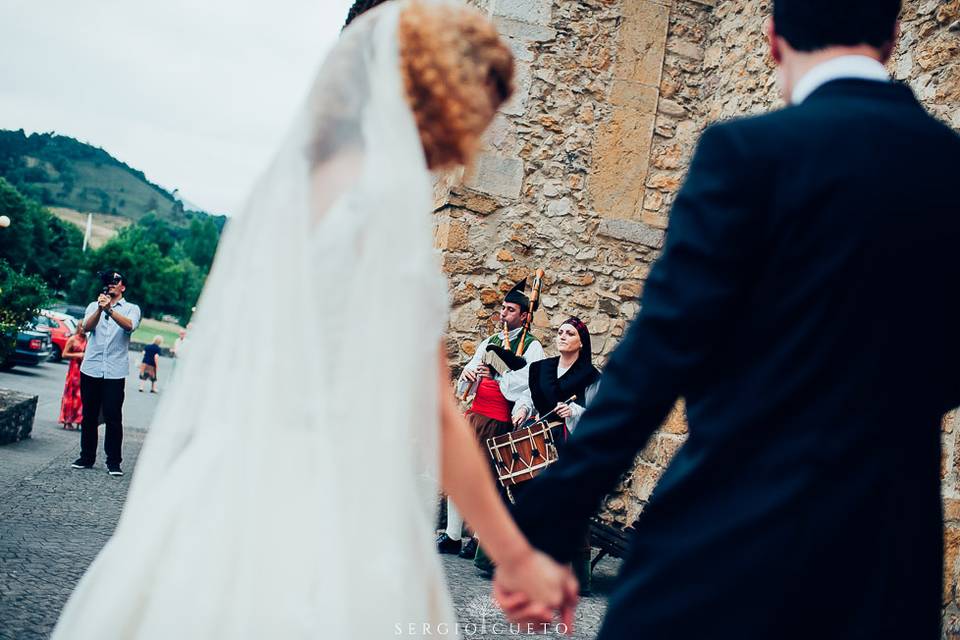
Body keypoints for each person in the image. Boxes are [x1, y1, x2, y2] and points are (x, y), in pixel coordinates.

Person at [51, 3, 576, 638]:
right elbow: (434, 411)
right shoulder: (382, 210)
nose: (472, 142)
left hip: (228, 478)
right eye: (477, 119)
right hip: (320, 501)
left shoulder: (309, 186)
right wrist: (518, 556)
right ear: (442, 97)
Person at [497, 0, 960, 637]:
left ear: (771, 40)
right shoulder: (948, 166)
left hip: (728, 534)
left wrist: (548, 523)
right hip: (886, 556)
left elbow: (654, 360)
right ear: (895, 33)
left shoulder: (746, 154)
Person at [437, 280, 546, 562]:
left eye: (510, 310)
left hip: (499, 420)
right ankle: (452, 535)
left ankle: (478, 539)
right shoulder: (491, 341)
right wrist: (469, 377)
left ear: (524, 316)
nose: (503, 314)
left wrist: (498, 370)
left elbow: (529, 386)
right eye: (502, 309)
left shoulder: (532, 348)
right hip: (476, 414)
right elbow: (470, 373)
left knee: (486, 481)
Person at [505, 316, 600, 594]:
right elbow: (528, 397)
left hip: (569, 445)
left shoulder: (591, 377)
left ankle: (578, 578)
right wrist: (521, 409)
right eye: (560, 332)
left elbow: (598, 416)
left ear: (581, 342)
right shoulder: (540, 369)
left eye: (569, 333)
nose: (562, 336)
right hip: (537, 443)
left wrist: (575, 412)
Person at [71, 269, 141, 477]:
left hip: (115, 371)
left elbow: (129, 326)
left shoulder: (131, 308)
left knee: (112, 416)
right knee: (89, 416)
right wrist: (101, 310)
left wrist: (110, 310)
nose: (111, 283)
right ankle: (86, 457)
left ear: (123, 287)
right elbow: (85, 328)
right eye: (109, 280)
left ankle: (113, 462)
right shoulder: (94, 305)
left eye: (116, 280)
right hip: (91, 368)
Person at [58, 324, 87, 431]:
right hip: (74, 372)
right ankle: (67, 420)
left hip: (84, 372)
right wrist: (78, 355)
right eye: (82, 327)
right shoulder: (72, 339)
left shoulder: (88, 339)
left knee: (82, 397)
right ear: (78, 328)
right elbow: (64, 354)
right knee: (71, 396)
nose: (83, 330)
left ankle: (80, 420)